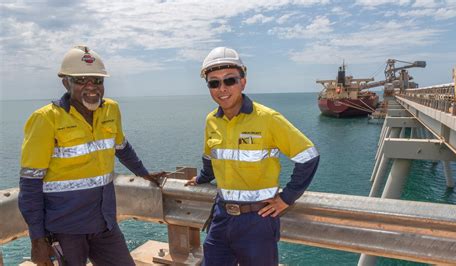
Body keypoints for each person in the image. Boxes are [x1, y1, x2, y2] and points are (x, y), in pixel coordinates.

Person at [19, 45, 165, 265]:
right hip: (65, 229)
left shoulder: (111, 110)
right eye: (81, 80)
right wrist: (37, 239)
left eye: (97, 80)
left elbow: (122, 147)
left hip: (104, 223)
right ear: (66, 82)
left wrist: (144, 173)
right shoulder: (46, 119)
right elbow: (30, 183)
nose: (91, 87)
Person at [185, 47, 320, 266]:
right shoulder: (212, 120)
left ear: (243, 82)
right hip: (221, 216)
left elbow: (309, 156)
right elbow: (210, 156)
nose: (222, 89)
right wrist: (202, 178)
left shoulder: (268, 119)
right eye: (214, 82)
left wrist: (287, 198)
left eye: (230, 80)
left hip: (257, 221)